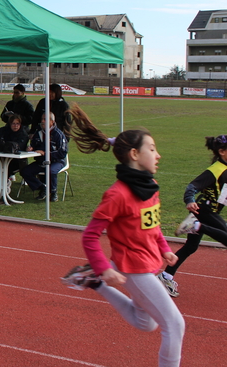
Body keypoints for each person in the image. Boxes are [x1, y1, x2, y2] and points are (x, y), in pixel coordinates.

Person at [61, 104, 184, 367]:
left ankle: (96, 285)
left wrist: (164, 248)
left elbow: (153, 225)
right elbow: (90, 236)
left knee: (146, 323)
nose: (158, 155)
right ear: (134, 154)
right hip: (134, 268)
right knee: (175, 325)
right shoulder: (117, 195)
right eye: (152, 149)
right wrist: (103, 267)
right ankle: (98, 277)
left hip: (149, 263)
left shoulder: (149, 187)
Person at [157, 135, 227, 297]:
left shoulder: (224, 167)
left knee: (191, 246)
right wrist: (189, 200)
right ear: (222, 152)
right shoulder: (215, 170)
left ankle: (165, 276)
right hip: (202, 210)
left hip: (206, 211)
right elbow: (192, 186)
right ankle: (196, 226)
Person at [21, 112, 68, 202]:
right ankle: (43, 188)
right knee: (25, 171)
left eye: (45, 119)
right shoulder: (38, 133)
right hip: (41, 162)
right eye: (42, 119)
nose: (42, 121)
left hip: (56, 161)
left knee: (51, 171)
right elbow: (33, 145)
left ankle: (53, 192)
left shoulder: (58, 134)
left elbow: (62, 152)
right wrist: (30, 148)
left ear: (52, 121)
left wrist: (46, 153)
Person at [0, 114, 30, 189]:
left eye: (18, 123)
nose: (15, 126)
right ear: (9, 124)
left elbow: (19, 146)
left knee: (5, 169)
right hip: (3, 158)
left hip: (17, 160)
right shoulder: (3, 131)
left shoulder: (23, 134)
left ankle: (3, 185)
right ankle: (4, 183)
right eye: (13, 123)